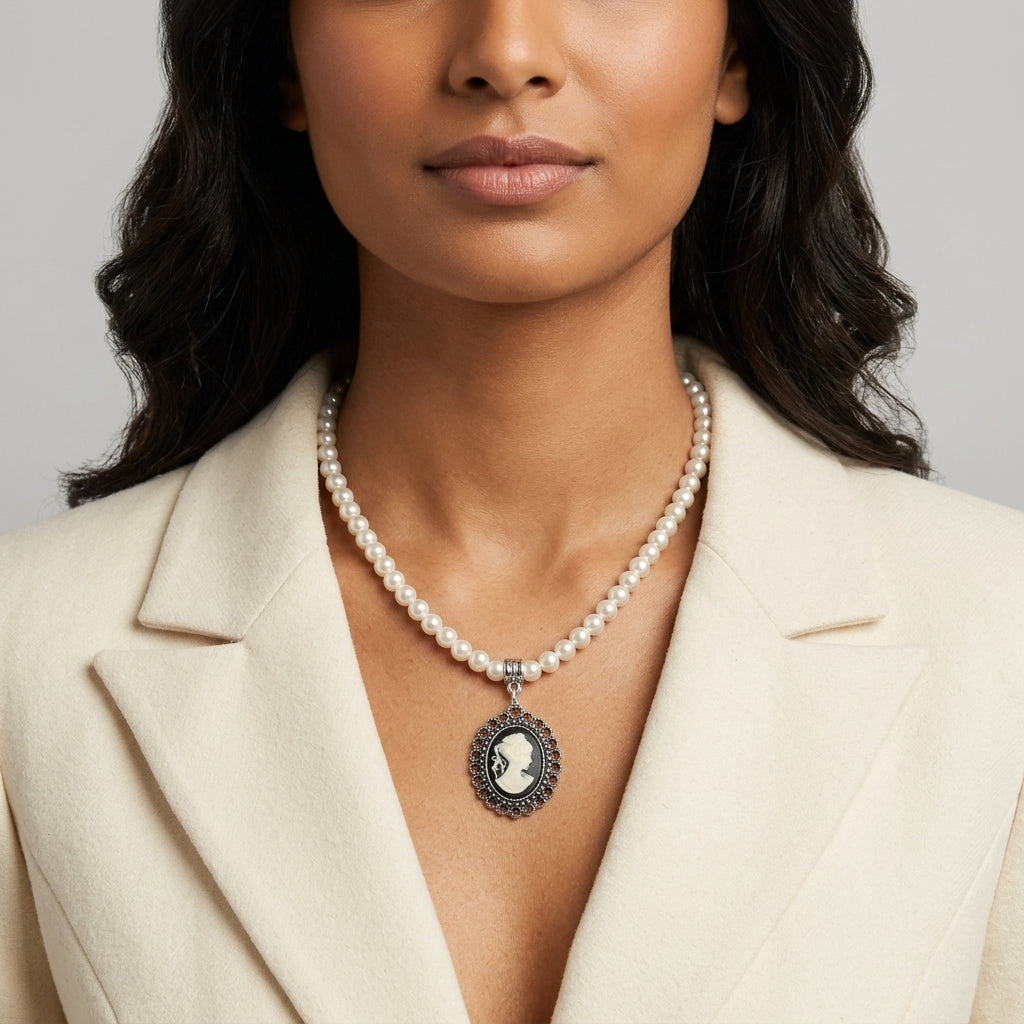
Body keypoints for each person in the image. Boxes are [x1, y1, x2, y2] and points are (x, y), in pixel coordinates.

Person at [1, 0, 1022, 1020]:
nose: (506, 54)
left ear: (736, 54)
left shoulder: (997, 638)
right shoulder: (28, 654)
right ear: (280, 63)